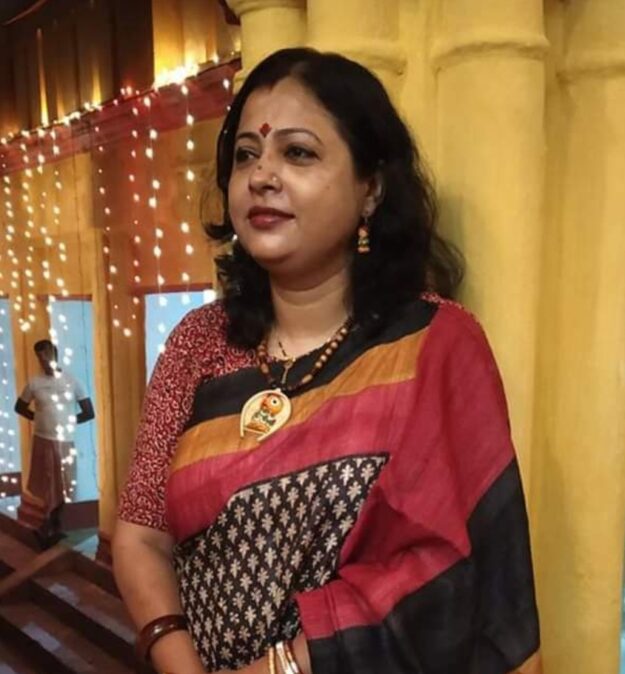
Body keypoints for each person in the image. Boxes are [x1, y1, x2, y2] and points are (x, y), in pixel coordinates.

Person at [113, 48, 541, 674]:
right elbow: (140, 534)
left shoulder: (434, 344)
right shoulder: (198, 343)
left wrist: (284, 667)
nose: (262, 176)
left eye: (298, 152)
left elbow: (457, 568)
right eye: (245, 156)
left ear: (371, 189)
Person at [15, 339, 95, 547]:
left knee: (63, 484)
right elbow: (19, 407)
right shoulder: (35, 383)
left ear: (55, 356)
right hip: (43, 439)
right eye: (39, 357)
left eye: (46, 356)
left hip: (64, 441)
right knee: (47, 484)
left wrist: (68, 421)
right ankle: (49, 526)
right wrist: (38, 418)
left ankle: (52, 525)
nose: (43, 361)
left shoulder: (72, 381)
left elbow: (89, 412)